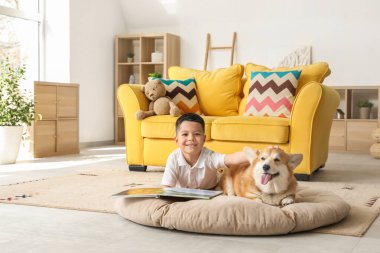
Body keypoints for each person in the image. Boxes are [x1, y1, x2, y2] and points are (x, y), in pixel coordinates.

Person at [161, 113, 249, 189]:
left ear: (204, 139)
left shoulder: (209, 156)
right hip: (184, 192)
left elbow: (230, 159)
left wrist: (256, 155)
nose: (191, 138)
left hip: (210, 190)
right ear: (177, 140)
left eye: (197, 134)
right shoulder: (174, 158)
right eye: (185, 134)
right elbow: (166, 187)